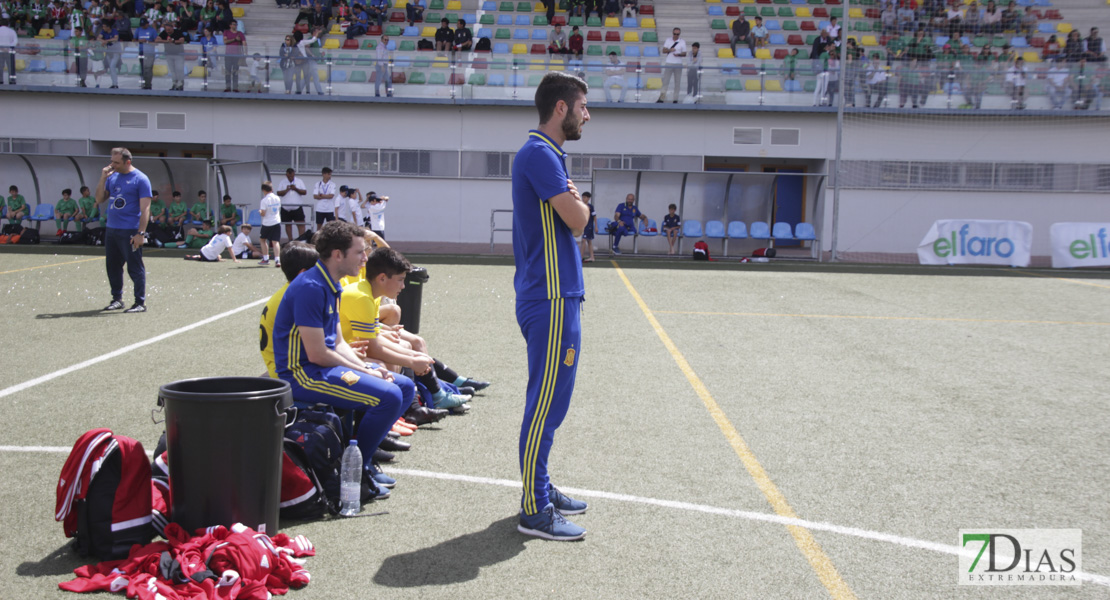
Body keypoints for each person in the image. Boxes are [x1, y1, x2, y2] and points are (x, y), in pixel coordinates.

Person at [272, 220, 416, 498]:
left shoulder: (331, 284)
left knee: (404, 387)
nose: (366, 258)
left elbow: (337, 341)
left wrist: (365, 367)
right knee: (389, 396)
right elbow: (318, 353)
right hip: (303, 374)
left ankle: (361, 462)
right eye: (360, 252)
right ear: (338, 254)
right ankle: (353, 472)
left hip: (323, 367)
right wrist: (368, 371)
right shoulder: (311, 286)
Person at [511, 72, 591, 541]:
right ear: (560, 108)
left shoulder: (548, 156)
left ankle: (539, 487)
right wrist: (579, 202)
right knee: (545, 403)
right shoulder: (540, 154)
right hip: (551, 296)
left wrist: (577, 202)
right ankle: (534, 509)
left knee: (552, 401)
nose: (587, 114)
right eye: (582, 105)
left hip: (557, 296)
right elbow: (578, 221)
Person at [339, 247, 474, 411]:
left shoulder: (370, 293)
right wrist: (411, 361)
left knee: (406, 347)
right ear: (382, 278)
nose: (403, 286)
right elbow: (373, 347)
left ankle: (404, 410)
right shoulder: (361, 297)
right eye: (400, 280)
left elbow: (374, 338)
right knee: (380, 363)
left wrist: (412, 355)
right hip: (341, 355)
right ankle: (397, 413)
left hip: (350, 350)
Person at [96, 148, 151, 313]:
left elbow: (146, 208)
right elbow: (99, 199)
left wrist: (140, 233)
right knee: (112, 266)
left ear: (128, 162)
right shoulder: (112, 177)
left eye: (116, 162)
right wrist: (102, 178)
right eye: (112, 161)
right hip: (112, 229)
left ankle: (140, 302)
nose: (112, 165)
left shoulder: (140, 179)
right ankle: (117, 299)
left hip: (130, 230)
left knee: (134, 267)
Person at [260, 242, 319, 380]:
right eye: (319, 270)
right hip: (288, 371)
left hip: (278, 365)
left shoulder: (288, 291)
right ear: (303, 273)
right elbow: (316, 353)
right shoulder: (298, 298)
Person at [276, 168, 307, 241]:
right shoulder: (282, 182)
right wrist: (287, 190)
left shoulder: (299, 181)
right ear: (286, 175)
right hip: (286, 208)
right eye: (289, 176)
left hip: (297, 207)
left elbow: (304, 192)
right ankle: (290, 240)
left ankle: (301, 240)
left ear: (294, 174)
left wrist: (296, 189)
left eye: (292, 176)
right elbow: (278, 193)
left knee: (301, 224)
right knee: (288, 224)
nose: (290, 178)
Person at [657, 27, 686, 103]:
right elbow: (663, 50)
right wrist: (670, 50)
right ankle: (662, 98)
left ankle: (675, 99)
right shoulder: (668, 40)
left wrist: (679, 54)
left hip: (678, 63)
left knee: (677, 82)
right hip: (669, 62)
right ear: (672, 33)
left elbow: (684, 53)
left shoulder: (682, 42)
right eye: (675, 34)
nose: (676, 35)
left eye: (677, 34)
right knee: (665, 82)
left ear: (679, 34)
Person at [258, 181, 282, 265]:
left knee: (262, 240)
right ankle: (277, 260)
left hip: (267, 223)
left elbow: (263, 213)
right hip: (276, 222)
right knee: (275, 242)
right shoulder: (277, 198)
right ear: (272, 189)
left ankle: (265, 259)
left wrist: (260, 211)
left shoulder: (264, 200)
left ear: (263, 190)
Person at [159, 21, 187, 91]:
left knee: (179, 69)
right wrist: (166, 41)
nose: (167, 31)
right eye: (166, 30)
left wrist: (173, 41)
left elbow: (182, 40)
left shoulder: (178, 32)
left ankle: (180, 83)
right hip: (169, 54)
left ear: (172, 28)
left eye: (169, 30)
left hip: (178, 54)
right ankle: (174, 83)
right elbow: (157, 39)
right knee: (172, 70)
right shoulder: (164, 33)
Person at [222, 18, 245, 92]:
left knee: (235, 71)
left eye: (236, 24)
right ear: (230, 25)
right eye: (234, 24)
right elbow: (225, 41)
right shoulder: (226, 32)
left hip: (236, 55)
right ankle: (228, 86)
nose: (235, 26)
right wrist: (234, 39)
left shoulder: (240, 33)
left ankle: (235, 87)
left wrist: (245, 52)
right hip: (228, 54)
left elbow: (244, 43)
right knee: (227, 71)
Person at [135, 18, 157, 89]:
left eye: (144, 25)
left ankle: (148, 84)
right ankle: (143, 83)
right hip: (141, 51)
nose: (142, 26)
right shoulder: (138, 30)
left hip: (150, 52)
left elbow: (156, 42)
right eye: (141, 25)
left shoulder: (152, 30)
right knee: (142, 68)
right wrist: (140, 40)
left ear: (147, 24)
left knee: (148, 68)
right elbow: (133, 39)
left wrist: (147, 42)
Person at [374, 32, 392, 97]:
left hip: (384, 65)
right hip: (381, 65)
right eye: (385, 39)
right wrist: (382, 66)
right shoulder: (380, 47)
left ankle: (388, 93)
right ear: (382, 40)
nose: (386, 41)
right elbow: (379, 57)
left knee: (387, 80)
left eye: (387, 40)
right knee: (379, 79)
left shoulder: (384, 47)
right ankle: (377, 93)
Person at [579, 191, 596, 263]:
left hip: (589, 226)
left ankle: (580, 257)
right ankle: (592, 257)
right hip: (583, 225)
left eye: (585, 197)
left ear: (588, 198)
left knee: (583, 240)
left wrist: (596, 226)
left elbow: (594, 216)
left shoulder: (591, 207)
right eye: (582, 197)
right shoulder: (580, 205)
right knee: (589, 241)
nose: (583, 199)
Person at [0, 18, 16, 85]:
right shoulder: (11, 31)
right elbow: (15, 41)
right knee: (11, 67)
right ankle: (12, 80)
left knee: (0, 67)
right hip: (9, 51)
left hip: (0, 51)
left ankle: (0, 81)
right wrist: (9, 47)